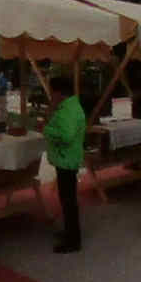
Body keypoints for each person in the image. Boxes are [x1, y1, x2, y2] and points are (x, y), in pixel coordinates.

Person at [43, 73, 87, 253]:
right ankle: (70, 233)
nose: (50, 96)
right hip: (67, 159)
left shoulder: (67, 110)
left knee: (68, 201)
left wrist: (46, 130)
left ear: (59, 92)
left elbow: (66, 136)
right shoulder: (69, 106)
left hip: (66, 160)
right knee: (67, 200)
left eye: (52, 92)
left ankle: (73, 241)